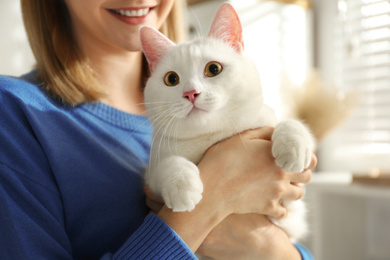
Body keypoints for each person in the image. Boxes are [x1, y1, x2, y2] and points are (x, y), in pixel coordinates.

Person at [0, 0, 316, 259]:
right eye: (173, 79)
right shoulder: (14, 112)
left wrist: (271, 249)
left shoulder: (229, 109)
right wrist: (209, 202)